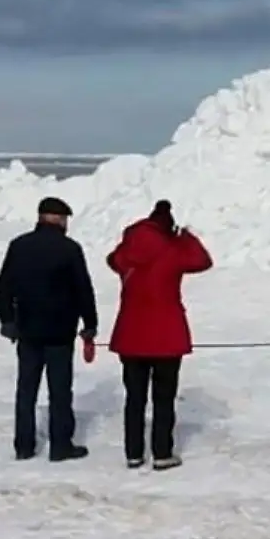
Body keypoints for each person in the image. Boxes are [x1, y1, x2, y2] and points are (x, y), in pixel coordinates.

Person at [106, 199, 213, 470]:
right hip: (167, 336)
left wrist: (133, 235)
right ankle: (162, 453)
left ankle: (133, 453)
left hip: (131, 335)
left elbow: (112, 259)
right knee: (163, 398)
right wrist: (184, 236)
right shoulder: (173, 251)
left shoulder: (128, 251)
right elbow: (203, 261)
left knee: (134, 398)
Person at [0, 195, 99, 462]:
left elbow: (4, 286)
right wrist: (90, 324)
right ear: (59, 219)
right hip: (60, 332)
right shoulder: (69, 249)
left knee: (26, 390)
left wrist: (7, 320)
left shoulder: (19, 246)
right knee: (60, 391)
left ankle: (24, 446)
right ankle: (61, 445)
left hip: (27, 329)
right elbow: (83, 290)